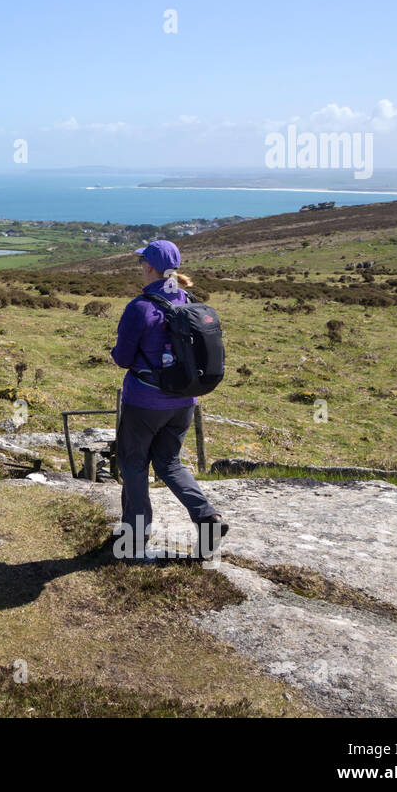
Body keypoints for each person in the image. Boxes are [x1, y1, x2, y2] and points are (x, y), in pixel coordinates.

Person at [110, 239, 229, 558]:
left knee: (134, 465)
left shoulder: (140, 307)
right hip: (184, 402)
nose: (140, 269)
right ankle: (207, 517)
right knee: (169, 462)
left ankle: (132, 543)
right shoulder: (187, 299)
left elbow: (122, 358)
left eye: (141, 263)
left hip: (144, 403)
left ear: (149, 267)